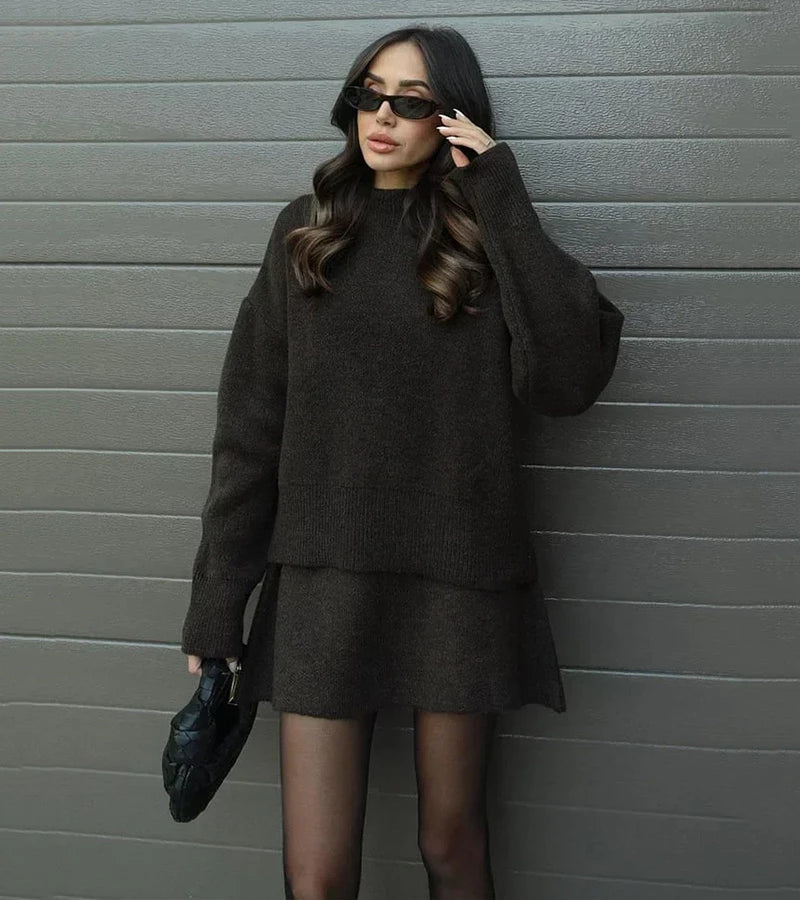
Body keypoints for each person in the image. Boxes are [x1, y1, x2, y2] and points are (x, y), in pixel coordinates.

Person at [181, 24, 624, 900]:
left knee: (451, 847)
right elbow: (250, 431)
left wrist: (498, 190)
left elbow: (570, 378)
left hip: (457, 580)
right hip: (323, 576)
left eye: (410, 102)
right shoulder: (306, 231)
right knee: (316, 876)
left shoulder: (486, 232)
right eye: (368, 94)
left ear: (452, 118)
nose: (381, 116)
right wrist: (217, 603)